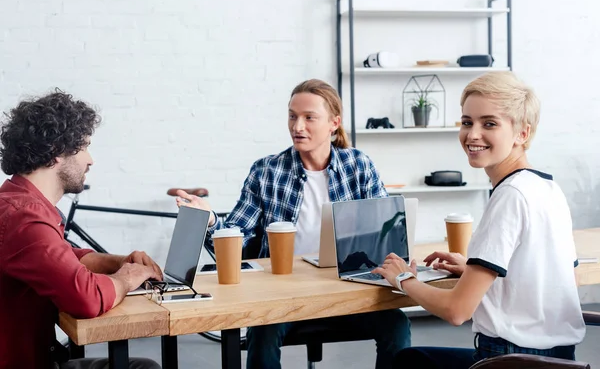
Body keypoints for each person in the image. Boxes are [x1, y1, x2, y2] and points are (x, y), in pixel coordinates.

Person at [176, 79, 410, 369]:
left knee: (397, 326)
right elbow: (236, 233)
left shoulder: (359, 165)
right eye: (292, 116)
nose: (298, 127)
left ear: (333, 123)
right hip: (284, 297)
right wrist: (209, 220)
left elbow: (385, 231)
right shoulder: (267, 170)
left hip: (348, 292)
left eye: (309, 117)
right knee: (261, 332)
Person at [373, 72, 586, 368]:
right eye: (466, 122)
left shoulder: (509, 195)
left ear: (522, 134)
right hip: (559, 361)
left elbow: (457, 311)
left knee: (410, 362)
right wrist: (474, 270)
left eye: (489, 123)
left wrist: (403, 278)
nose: (472, 134)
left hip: (508, 361)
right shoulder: (548, 187)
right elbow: (564, 281)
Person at [0, 91, 163, 369]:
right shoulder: (24, 217)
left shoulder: (16, 201)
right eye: (84, 146)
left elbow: (55, 256)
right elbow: (85, 299)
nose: (90, 159)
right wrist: (127, 277)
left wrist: (115, 261)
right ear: (56, 154)